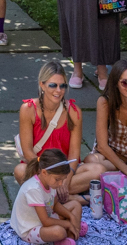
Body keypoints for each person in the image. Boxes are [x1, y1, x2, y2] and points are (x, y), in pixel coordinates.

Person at [14, 61, 102, 192]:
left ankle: (49, 194)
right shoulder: (28, 109)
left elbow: (73, 154)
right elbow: (28, 152)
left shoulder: (74, 111)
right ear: (42, 85)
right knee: (20, 170)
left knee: (98, 170)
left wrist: (65, 179)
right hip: (40, 169)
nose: (58, 90)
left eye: (62, 86)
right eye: (53, 85)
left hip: (65, 169)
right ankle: (63, 195)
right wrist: (49, 175)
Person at [10, 148, 86, 245]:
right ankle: (65, 237)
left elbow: (54, 205)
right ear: (44, 172)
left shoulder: (51, 183)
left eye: (63, 179)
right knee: (59, 231)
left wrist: (71, 216)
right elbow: (45, 221)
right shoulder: (33, 189)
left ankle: (70, 237)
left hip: (46, 218)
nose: (60, 184)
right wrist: (67, 224)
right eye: (58, 179)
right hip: (30, 228)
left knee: (76, 205)